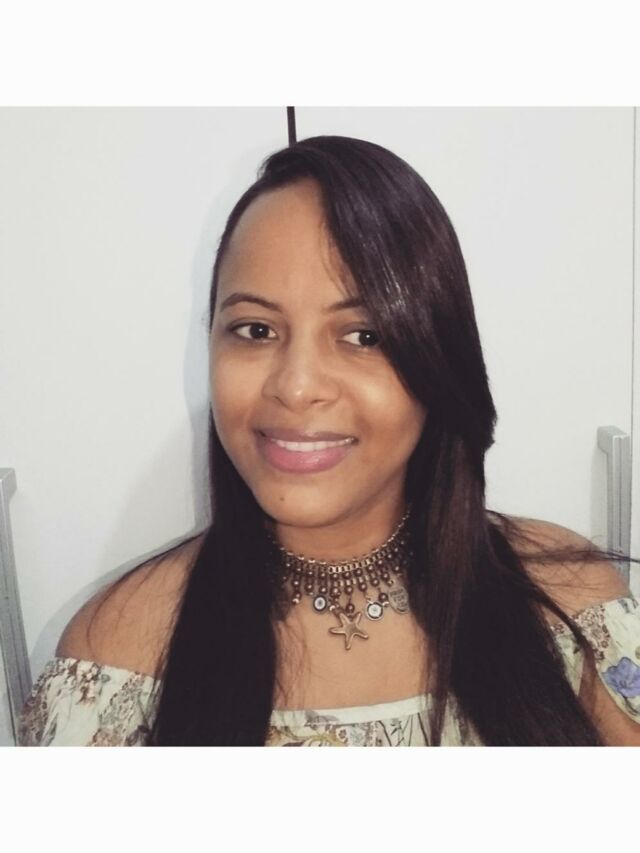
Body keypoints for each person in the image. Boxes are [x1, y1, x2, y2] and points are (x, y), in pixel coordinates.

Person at [18, 135, 640, 747]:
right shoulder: (115, 657)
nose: (296, 387)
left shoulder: (571, 608)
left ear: (437, 358)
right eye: (255, 329)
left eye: (365, 336)